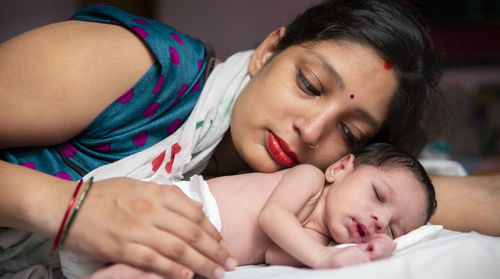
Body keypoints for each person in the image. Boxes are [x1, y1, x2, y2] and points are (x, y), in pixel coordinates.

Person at [0, 0, 498, 278]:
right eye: (308, 85)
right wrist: (66, 205)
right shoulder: (140, 67)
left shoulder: (327, 192)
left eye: (349, 131)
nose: (312, 129)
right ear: (267, 52)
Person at [61, 143, 437, 278]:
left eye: (393, 229)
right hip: (174, 209)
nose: (379, 220)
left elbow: (274, 252)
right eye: (378, 195)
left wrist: (361, 253)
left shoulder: (312, 235)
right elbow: (272, 219)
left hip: (185, 248)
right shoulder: (308, 179)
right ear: (340, 169)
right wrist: (323, 258)